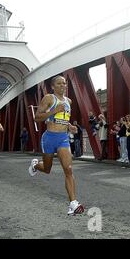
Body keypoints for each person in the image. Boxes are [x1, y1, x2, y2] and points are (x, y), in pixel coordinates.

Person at [28, 75, 85, 215]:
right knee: (47, 169)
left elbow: (63, 118)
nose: (62, 85)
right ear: (53, 86)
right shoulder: (49, 98)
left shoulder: (68, 101)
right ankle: (35, 165)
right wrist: (53, 110)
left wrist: (70, 126)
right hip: (49, 138)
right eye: (59, 83)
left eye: (64, 83)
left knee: (69, 169)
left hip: (63, 139)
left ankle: (73, 203)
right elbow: (37, 117)